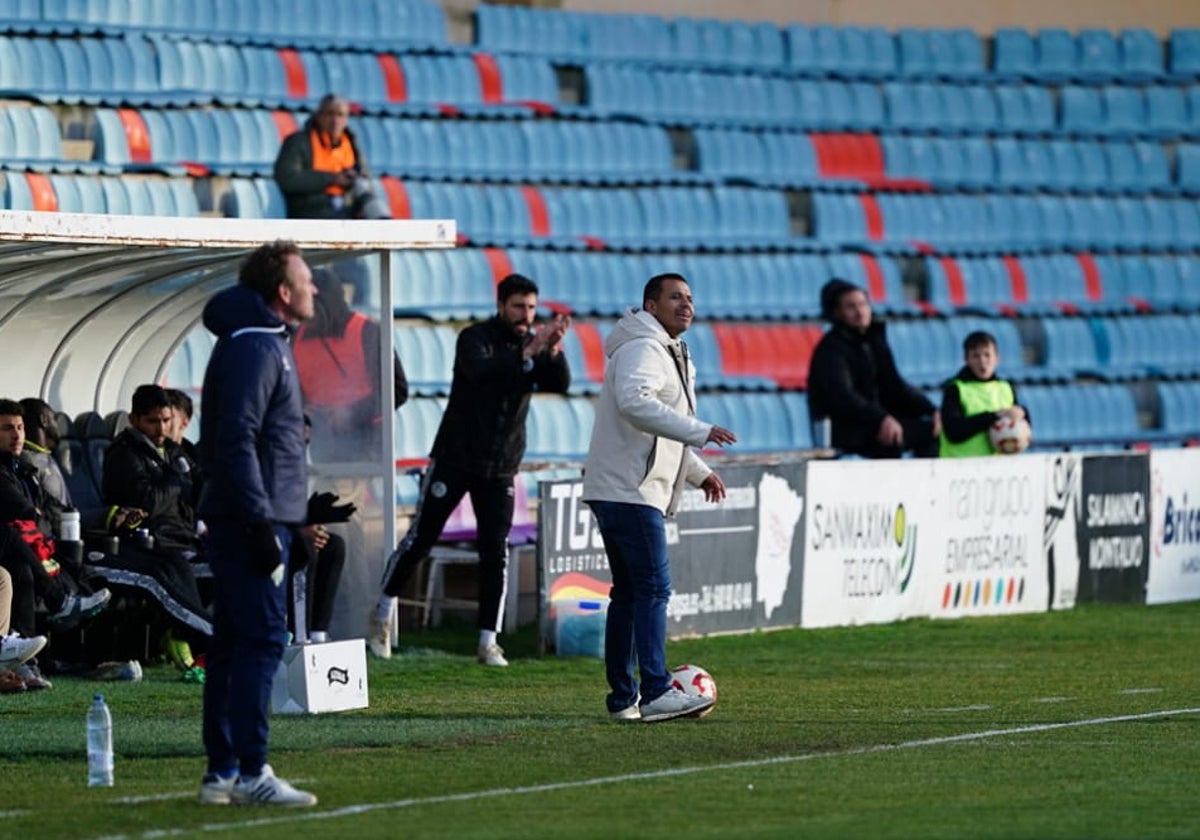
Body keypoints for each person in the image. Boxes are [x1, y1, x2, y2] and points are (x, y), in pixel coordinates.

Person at [369, 273, 571, 666]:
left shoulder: (532, 345)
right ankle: (381, 615)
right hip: (455, 458)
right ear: (500, 305)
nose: (525, 315)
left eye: (530, 307)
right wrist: (527, 353)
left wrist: (555, 350)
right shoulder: (475, 338)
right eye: (517, 306)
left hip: (501, 467)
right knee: (420, 540)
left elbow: (559, 384)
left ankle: (487, 641)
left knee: (495, 552)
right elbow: (481, 373)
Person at [195, 240, 318, 807]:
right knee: (263, 640)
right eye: (306, 278)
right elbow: (237, 438)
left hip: (255, 516)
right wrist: (262, 522)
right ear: (283, 292)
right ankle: (250, 772)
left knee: (232, 644)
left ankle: (222, 772)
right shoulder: (257, 347)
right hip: (249, 524)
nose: (315, 288)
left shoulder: (265, 343)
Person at [581, 272, 736, 723]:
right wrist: (701, 431)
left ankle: (622, 699)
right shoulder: (644, 347)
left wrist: (698, 472)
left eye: (689, 296)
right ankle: (654, 690)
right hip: (629, 489)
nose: (686, 304)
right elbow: (635, 403)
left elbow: (659, 435)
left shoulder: (670, 350)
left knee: (629, 593)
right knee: (651, 588)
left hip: (625, 486)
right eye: (675, 297)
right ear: (651, 306)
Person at [99, 384, 213, 682]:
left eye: (165, 420)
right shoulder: (124, 454)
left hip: (185, 539)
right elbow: (146, 502)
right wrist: (175, 480)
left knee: (232, 565)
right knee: (176, 571)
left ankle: (186, 634)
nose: (161, 428)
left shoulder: (174, 452)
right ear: (134, 420)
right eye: (152, 421)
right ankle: (215, 643)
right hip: (149, 543)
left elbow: (203, 490)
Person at [0, 398, 112, 688]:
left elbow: (44, 510)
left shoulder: (21, 467)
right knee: (11, 544)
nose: (17, 435)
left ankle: (30, 663)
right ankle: (57, 602)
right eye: (7, 429)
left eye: (20, 427)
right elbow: (22, 508)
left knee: (25, 569)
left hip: (22, 549)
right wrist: (31, 511)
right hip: (11, 542)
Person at [806, 278, 941, 459]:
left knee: (932, 430)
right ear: (837, 313)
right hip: (845, 428)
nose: (860, 311)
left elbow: (895, 386)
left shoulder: (874, 341)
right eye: (851, 307)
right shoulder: (831, 349)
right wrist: (881, 418)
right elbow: (842, 396)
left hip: (872, 422)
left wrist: (932, 410)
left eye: (863, 304)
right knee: (891, 438)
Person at [293, 265, 409, 462]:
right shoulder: (296, 338)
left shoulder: (367, 331)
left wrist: (351, 414)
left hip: (369, 451)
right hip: (322, 453)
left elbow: (397, 391)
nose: (306, 315)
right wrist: (304, 414)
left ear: (326, 303)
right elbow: (294, 395)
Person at [273, 93, 388, 220]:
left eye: (340, 115)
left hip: (346, 211)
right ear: (319, 116)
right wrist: (332, 179)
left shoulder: (351, 142)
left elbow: (365, 176)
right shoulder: (298, 142)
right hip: (310, 212)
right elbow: (288, 179)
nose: (335, 121)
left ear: (346, 119)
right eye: (330, 114)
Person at [939, 330, 1031, 457]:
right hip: (961, 467)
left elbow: (1023, 429)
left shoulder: (1006, 387)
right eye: (976, 356)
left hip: (997, 468)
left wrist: (1023, 414)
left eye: (987, 355)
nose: (982, 361)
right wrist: (994, 416)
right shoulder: (955, 389)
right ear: (966, 359)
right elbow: (954, 431)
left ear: (997, 358)